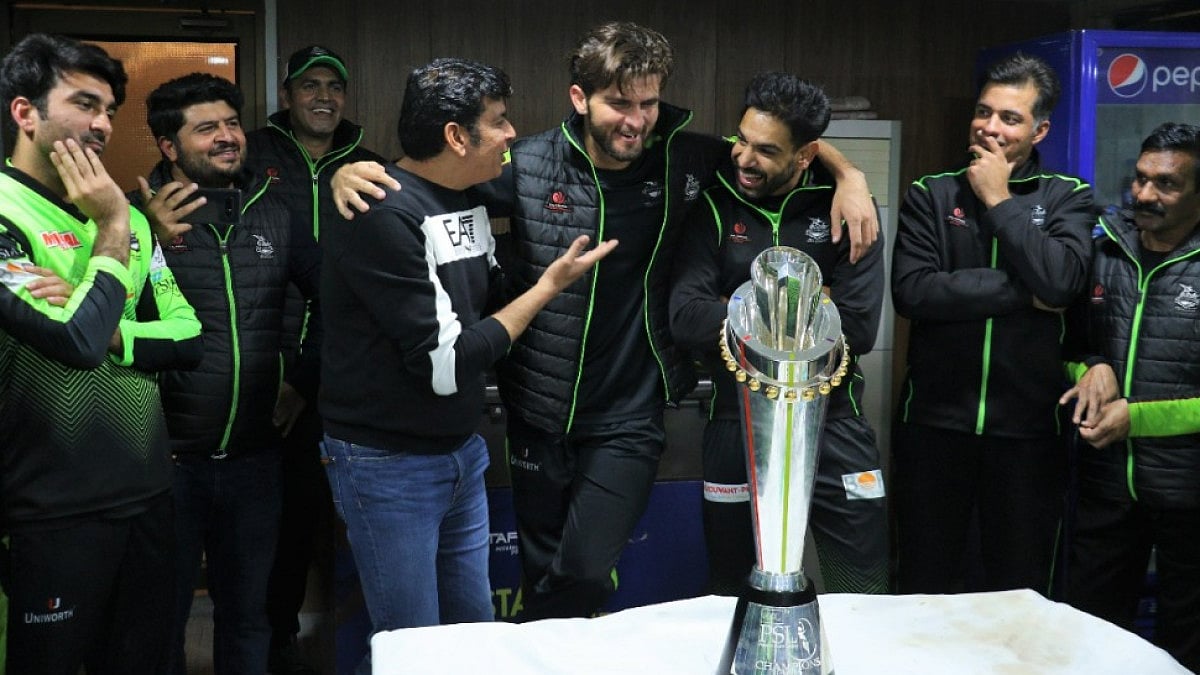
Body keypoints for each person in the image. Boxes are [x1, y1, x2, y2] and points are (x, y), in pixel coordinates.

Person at [333, 21, 878, 621]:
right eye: (619, 103)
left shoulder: (686, 158)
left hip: (629, 413)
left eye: (648, 104)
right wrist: (357, 169)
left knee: (586, 571)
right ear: (579, 99)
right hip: (538, 407)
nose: (636, 120)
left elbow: (778, 143)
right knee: (542, 571)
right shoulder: (528, 162)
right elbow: (438, 170)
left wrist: (848, 173)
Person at [318, 57, 615, 666]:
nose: (512, 134)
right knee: (418, 648)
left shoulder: (467, 195)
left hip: (459, 451)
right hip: (388, 465)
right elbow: (446, 365)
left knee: (474, 636)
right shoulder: (382, 213)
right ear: (456, 137)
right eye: (499, 122)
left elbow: (487, 293)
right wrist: (548, 287)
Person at [0, 33, 202, 674]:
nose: (101, 125)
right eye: (84, 103)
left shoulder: (137, 221)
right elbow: (73, 343)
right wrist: (112, 229)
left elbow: (188, 337)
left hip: (147, 494)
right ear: (24, 112)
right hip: (44, 510)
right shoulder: (14, 214)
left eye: (110, 110)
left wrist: (110, 323)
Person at [130, 73, 322, 675]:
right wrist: (144, 242)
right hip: (166, 466)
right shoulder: (132, 218)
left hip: (255, 460)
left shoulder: (275, 211)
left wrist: (301, 379)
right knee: (158, 622)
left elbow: (333, 301)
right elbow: (101, 323)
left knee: (249, 620)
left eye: (232, 123)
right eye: (206, 128)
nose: (226, 137)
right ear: (168, 147)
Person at [669, 72, 888, 596]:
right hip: (734, 421)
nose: (745, 158)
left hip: (836, 421)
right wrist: (811, 306)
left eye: (767, 151)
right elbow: (686, 316)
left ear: (806, 155)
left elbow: (856, 326)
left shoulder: (846, 206)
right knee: (733, 588)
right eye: (742, 139)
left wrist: (737, 304)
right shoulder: (715, 201)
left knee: (863, 586)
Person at [890, 52, 1095, 594]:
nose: (991, 127)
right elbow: (914, 292)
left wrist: (998, 199)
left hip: (1027, 435)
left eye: (1011, 117)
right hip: (935, 427)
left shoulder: (1068, 197)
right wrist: (1024, 291)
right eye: (984, 112)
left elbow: (1062, 284)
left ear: (1040, 129)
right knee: (923, 585)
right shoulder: (931, 193)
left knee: (1019, 591)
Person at [244, 44, 383, 675]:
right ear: (286, 94)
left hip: (349, 365)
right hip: (262, 359)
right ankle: (270, 636)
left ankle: (346, 639)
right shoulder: (252, 153)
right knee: (272, 521)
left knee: (335, 511)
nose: (323, 96)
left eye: (334, 85)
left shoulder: (373, 162)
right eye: (309, 86)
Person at [1059, 122, 1200, 672]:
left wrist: (1135, 419)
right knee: (1091, 633)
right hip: (1106, 485)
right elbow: (1064, 346)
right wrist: (1089, 367)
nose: (1144, 195)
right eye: (1140, 179)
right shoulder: (1103, 251)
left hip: (1188, 493)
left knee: (1184, 643)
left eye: (1166, 185)